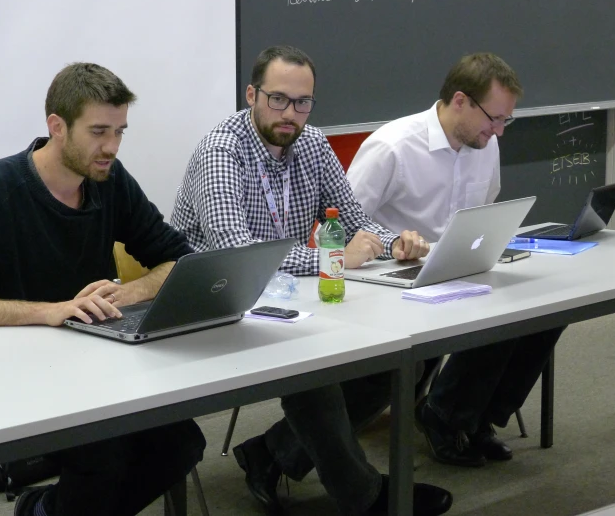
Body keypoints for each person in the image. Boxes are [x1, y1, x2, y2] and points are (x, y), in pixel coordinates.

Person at [0, 63, 206, 516]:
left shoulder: (109, 181)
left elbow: (178, 259)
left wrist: (129, 293)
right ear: (57, 127)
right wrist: (50, 311)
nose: (111, 146)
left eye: (120, 131)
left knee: (182, 443)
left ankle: (46, 509)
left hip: (95, 369)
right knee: (103, 458)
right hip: (14, 376)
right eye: (98, 131)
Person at [171, 45, 451, 516]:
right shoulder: (222, 152)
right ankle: (363, 498)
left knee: (403, 362)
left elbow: (359, 220)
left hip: (289, 298)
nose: (290, 114)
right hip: (218, 303)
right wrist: (333, 255)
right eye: (278, 99)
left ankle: (270, 453)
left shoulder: (314, 144)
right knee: (314, 372)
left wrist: (395, 242)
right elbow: (240, 257)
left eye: (303, 103)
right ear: (251, 95)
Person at [347, 52, 565, 468]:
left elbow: (485, 212)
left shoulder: (483, 142)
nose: (499, 131)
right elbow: (337, 228)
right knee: (496, 314)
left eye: (506, 120)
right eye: (494, 118)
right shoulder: (392, 147)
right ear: (460, 100)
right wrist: (391, 245)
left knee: (543, 312)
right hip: (389, 284)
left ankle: (476, 417)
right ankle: (446, 416)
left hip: (453, 272)